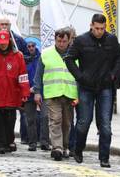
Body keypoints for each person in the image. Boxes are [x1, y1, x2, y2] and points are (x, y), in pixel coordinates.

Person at [64, 14, 120, 168]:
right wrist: (80, 76)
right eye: (96, 28)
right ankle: (78, 149)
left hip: (105, 87)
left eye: (102, 28)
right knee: (84, 121)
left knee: (105, 125)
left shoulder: (111, 40)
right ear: (91, 25)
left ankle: (104, 157)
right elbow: (69, 59)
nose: (99, 31)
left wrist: (113, 74)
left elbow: (119, 57)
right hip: (86, 87)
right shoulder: (81, 40)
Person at [34, 28, 78, 161]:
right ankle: (57, 148)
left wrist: (79, 95)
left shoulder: (75, 55)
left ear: (69, 40)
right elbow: (38, 75)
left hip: (69, 94)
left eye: (64, 41)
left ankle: (64, 147)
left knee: (67, 123)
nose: (61, 43)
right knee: (55, 120)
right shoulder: (46, 54)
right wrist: (37, 92)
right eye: (59, 40)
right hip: (52, 94)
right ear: (55, 39)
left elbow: (79, 75)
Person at [23, 41, 41, 152]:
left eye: (32, 46)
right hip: (28, 93)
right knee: (30, 119)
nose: (31, 48)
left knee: (45, 118)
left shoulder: (41, 58)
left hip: (41, 92)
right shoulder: (24, 60)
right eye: (29, 46)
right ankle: (32, 143)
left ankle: (44, 141)